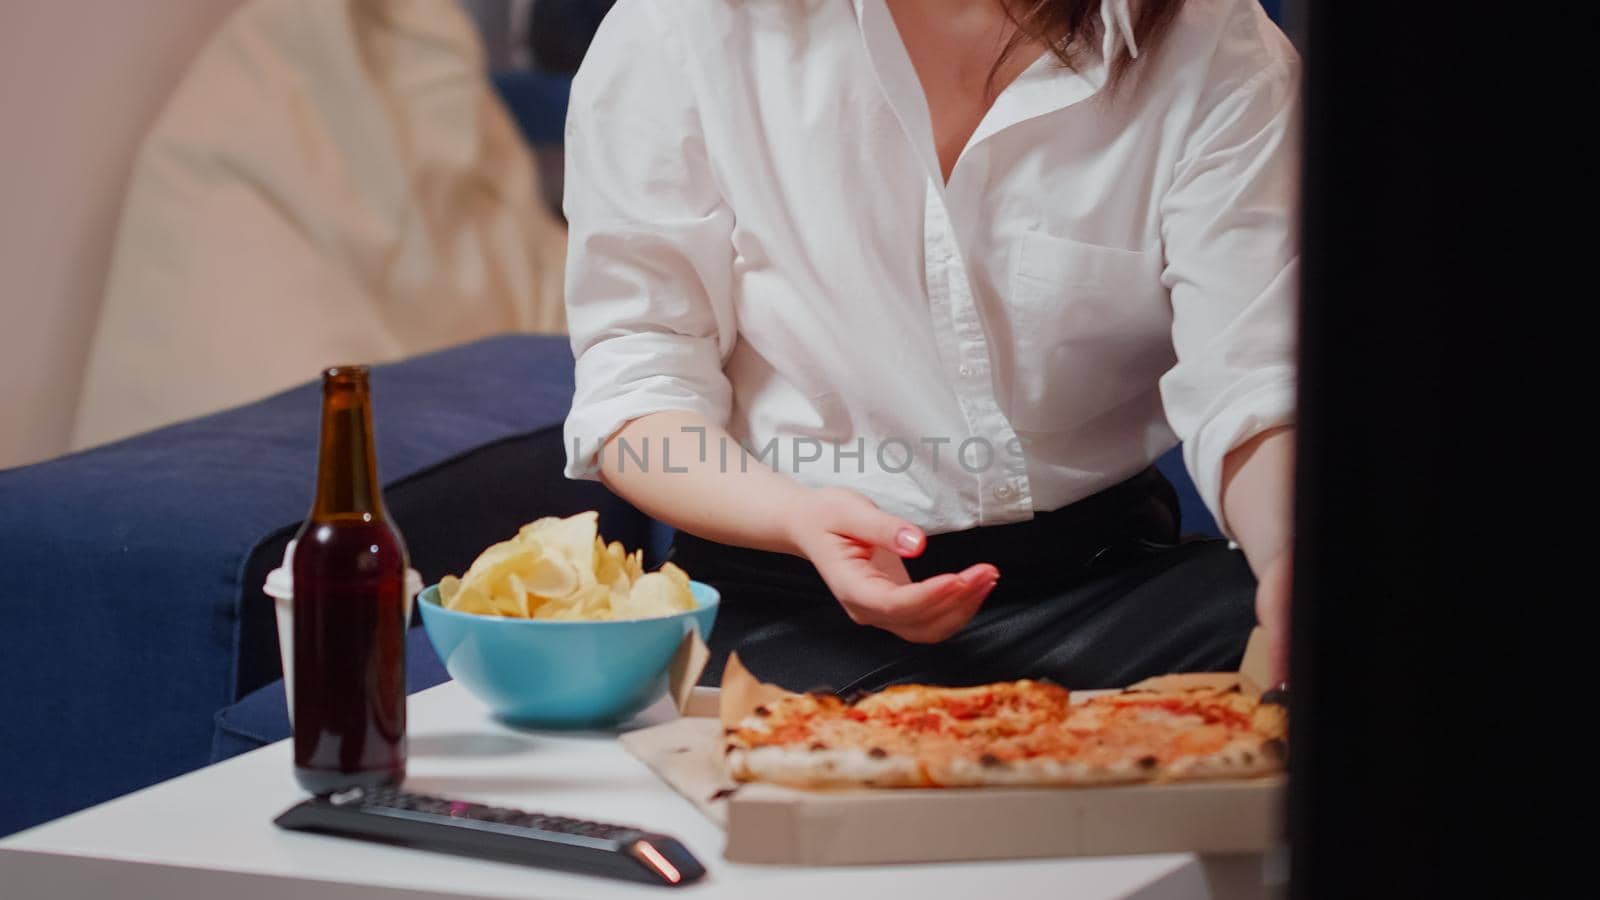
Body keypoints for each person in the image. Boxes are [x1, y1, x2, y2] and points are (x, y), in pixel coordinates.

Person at [561, 0, 1298, 691]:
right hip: (788, 594)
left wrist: (1288, 556)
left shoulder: (1213, 44)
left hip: (1113, 591)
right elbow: (637, 385)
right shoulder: (680, 29)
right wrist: (795, 520)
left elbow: (1256, 386)